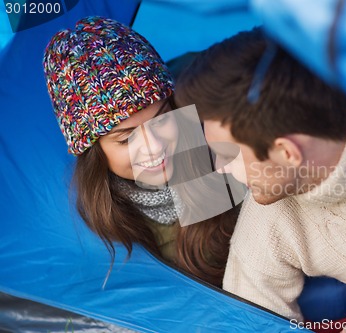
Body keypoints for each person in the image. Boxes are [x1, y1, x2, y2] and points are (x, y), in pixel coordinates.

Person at [175, 28, 346, 331]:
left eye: (227, 154)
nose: (219, 169)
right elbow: (248, 322)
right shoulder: (271, 209)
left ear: (286, 151)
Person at [42, 16, 240, 287]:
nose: (153, 146)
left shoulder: (229, 154)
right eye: (125, 139)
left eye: (162, 119)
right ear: (93, 152)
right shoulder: (88, 230)